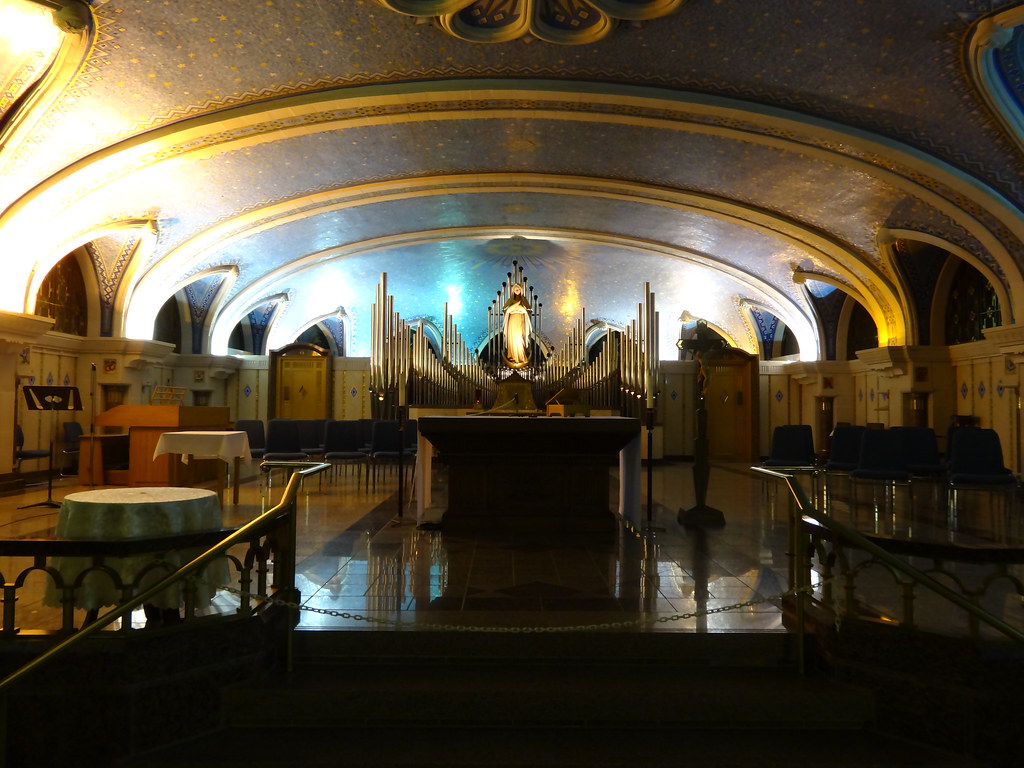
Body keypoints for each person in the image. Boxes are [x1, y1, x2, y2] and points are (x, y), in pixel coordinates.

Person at [502, 283, 532, 368]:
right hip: (512, 321)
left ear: (521, 290)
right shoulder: (511, 300)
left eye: (518, 289)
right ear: (513, 291)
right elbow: (506, 310)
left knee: (519, 338)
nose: (517, 291)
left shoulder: (523, 299)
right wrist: (516, 307)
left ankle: (520, 356)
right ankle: (512, 356)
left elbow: (528, 310)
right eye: (515, 290)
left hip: (520, 320)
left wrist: (517, 309)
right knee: (512, 338)